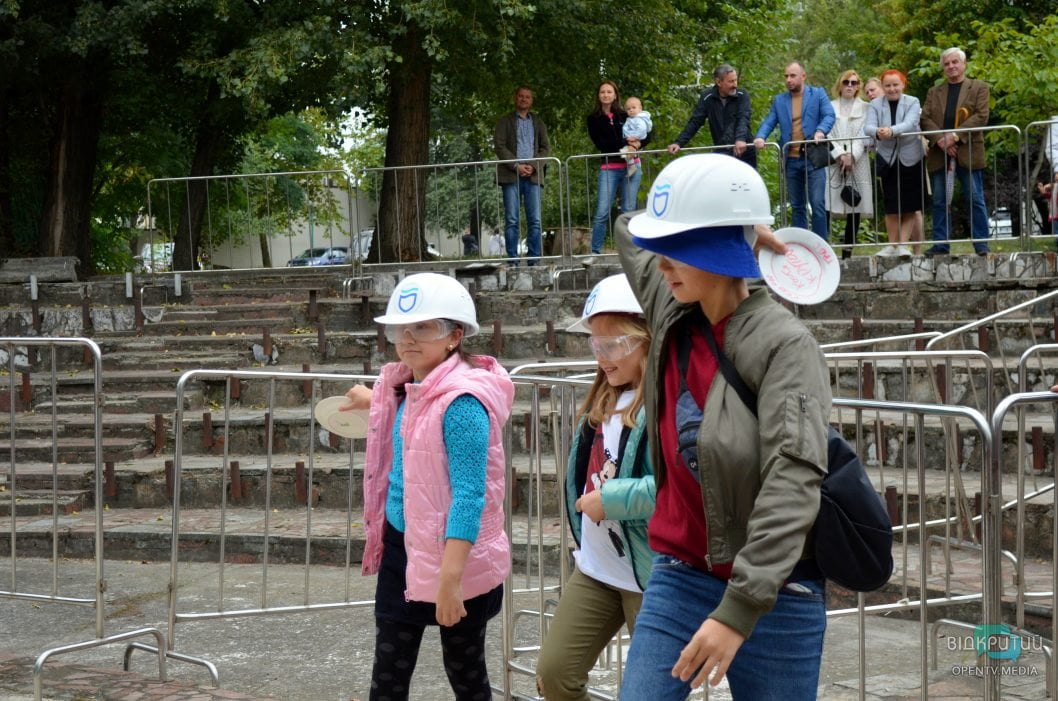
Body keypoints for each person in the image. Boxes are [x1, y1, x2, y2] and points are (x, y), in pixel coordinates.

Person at [615, 154, 831, 700]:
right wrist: (742, 224)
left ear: (720, 250)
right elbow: (628, 231)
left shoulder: (786, 345)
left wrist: (739, 611)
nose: (661, 263)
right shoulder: (672, 302)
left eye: (680, 247)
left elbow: (793, 479)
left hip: (777, 592)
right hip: (680, 575)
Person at [342, 272, 515, 701]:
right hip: (403, 547)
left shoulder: (463, 405)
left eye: (424, 327)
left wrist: (451, 579)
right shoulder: (408, 385)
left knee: (465, 670)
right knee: (388, 676)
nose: (408, 338)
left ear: (455, 336)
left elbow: (470, 495)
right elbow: (401, 401)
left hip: (457, 560)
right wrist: (371, 399)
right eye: (401, 327)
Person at [535, 273, 657, 701]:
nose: (602, 357)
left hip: (649, 576)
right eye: (595, 344)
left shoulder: (667, 402)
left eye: (614, 345)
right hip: (598, 567)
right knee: (554, 675)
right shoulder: (604, 397)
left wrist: (610, 500)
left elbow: (678, 486)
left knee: (649, 693)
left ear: (649, 338)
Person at [919, 47, 991, 256]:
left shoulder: (979, 87)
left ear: (964, 64)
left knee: (974, 198)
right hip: (939, 153)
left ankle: (981, 244)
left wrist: (955, 136)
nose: (951, 66)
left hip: (968, 151)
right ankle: (941, 244)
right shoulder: (935, 91)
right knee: (940, 200)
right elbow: (925, 119)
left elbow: (981, 116)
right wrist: (941, 140)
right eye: (947, 63)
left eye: (954, 62)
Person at [754, 61, 836, 239]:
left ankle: (822, 247)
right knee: (797, 206)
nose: (788, 80)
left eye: (792, 76)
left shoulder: (818, 94)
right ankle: (802, 246)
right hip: (791, 160)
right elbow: (770, 121)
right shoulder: (779, 100)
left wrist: (821, 130)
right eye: (786, 76)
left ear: (803, 76)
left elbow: (829, 115)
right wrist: (761, 136)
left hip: (813, 157)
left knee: (818, 204)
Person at [864, 69, 924, 257]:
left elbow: (910, 123)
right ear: (883, 87)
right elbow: (868, 127)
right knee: (891, 204)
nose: (891, 89)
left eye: (895, 85)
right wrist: (878, 132)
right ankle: (892, 244)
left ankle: (902, 245)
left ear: (903, 85)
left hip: (911, 157)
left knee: (910, 204)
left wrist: (891, 130)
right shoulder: (874, 104)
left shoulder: (912, 101)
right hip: (887, 158)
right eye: (888, 85)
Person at [587, 80, 652, 255]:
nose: (606, 95)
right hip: (610, 167)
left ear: (615, 95)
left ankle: (628, 250)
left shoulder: (626, 114)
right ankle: (595, 251)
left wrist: (636, 146)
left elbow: (647, 134)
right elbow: (602, 144)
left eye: (609, 92)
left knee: (628, 210)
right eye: (602, 92)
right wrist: (626, 143)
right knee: (602, 211)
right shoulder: (593, 119)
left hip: (632, 166)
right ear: (598, 96)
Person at [494, 85, 551, 265]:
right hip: (511, 176)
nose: (524, 99)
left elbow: (546, 148)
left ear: (531, 100)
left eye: (527, 97)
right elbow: (499, 146)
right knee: (512, 219)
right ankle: (513, 261)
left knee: (535, 220)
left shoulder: (538, 122)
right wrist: (516, 165)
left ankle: (533, 260)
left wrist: (534, 166)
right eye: (521, 96)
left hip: (533, 176)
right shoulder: (505, 121)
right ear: (515, 98)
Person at [667, 64, 757, 168]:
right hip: (723, 150)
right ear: (718, 82)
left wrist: (740, 139)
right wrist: (678, 142)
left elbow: (744, 117)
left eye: (735, 80)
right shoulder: (707, 98)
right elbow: (695, 122)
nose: (735, 85)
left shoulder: (742, 95)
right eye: (731, 81)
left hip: (744, 149)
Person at [826, 70, 873, 259]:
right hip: (834, 161)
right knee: (829, 204)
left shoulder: (866, 108)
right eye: (846, 82)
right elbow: (826, 133)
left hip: (858, 161)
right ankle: (825, 249)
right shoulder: (829, 107)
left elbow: (865, 133)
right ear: (840, 84)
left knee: (855, 205)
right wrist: (839, 154)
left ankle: (848, 252)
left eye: (854, 83)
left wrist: (852, 155)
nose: (850, 86)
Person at [621, 97, 653, 177]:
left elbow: (642, 129)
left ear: (640, 108)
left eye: (633, 108)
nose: (631, 110)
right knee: (625, 151)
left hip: (637, 138)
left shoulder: (639, 118)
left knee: (625, 151)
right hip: (631, 138)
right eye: (628, 109)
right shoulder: (632, 118)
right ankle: (631, 165)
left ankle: (632, 166)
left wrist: (635, 137)